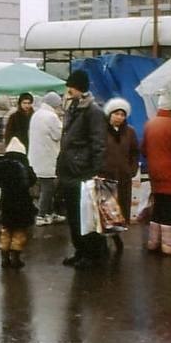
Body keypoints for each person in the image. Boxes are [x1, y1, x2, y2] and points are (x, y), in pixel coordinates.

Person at [56, 70, 109, 268]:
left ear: (81, 88)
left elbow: (98, 142)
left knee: (86, 215)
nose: (68, 90)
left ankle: (91, 253)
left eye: (72, 86)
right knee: (73, 214)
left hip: (83, 171)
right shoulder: (73, 107)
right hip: (70, 169)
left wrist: (95, 170)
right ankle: (80, 250)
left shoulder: (92, 111)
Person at [140, 91, 171, 256]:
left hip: (155, 173)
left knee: (159, 206)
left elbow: (144, 149)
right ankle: (170, 244)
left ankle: (154, 241)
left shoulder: (150, 124)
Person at [102, 97, 140, 254]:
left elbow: (135, 152)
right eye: (116, 114)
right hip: (105, 176)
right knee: (106, 210)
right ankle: (105, 239)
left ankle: (116, 236)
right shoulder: (101, 130)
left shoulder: (129, 132)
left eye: (122, 114)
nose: (119, 117)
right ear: (110, 114)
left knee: (120, 209)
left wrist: (131, 169)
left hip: (123, 177)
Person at [0, 137, 36, 269]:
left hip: (6, 204)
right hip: (22, 204)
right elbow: (32, 180)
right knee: (19, 231)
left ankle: (4, 257)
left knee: (6, 230)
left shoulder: (2, 165)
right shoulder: (24, 166)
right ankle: (16, 258)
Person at [29, 91, 63, 226]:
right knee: (48, 187)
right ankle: (42, 215)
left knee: (45, 185)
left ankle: (50, 212)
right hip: (48, 156)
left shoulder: (36, 114)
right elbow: (58, 135)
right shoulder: (51, 117)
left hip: (37, 156)